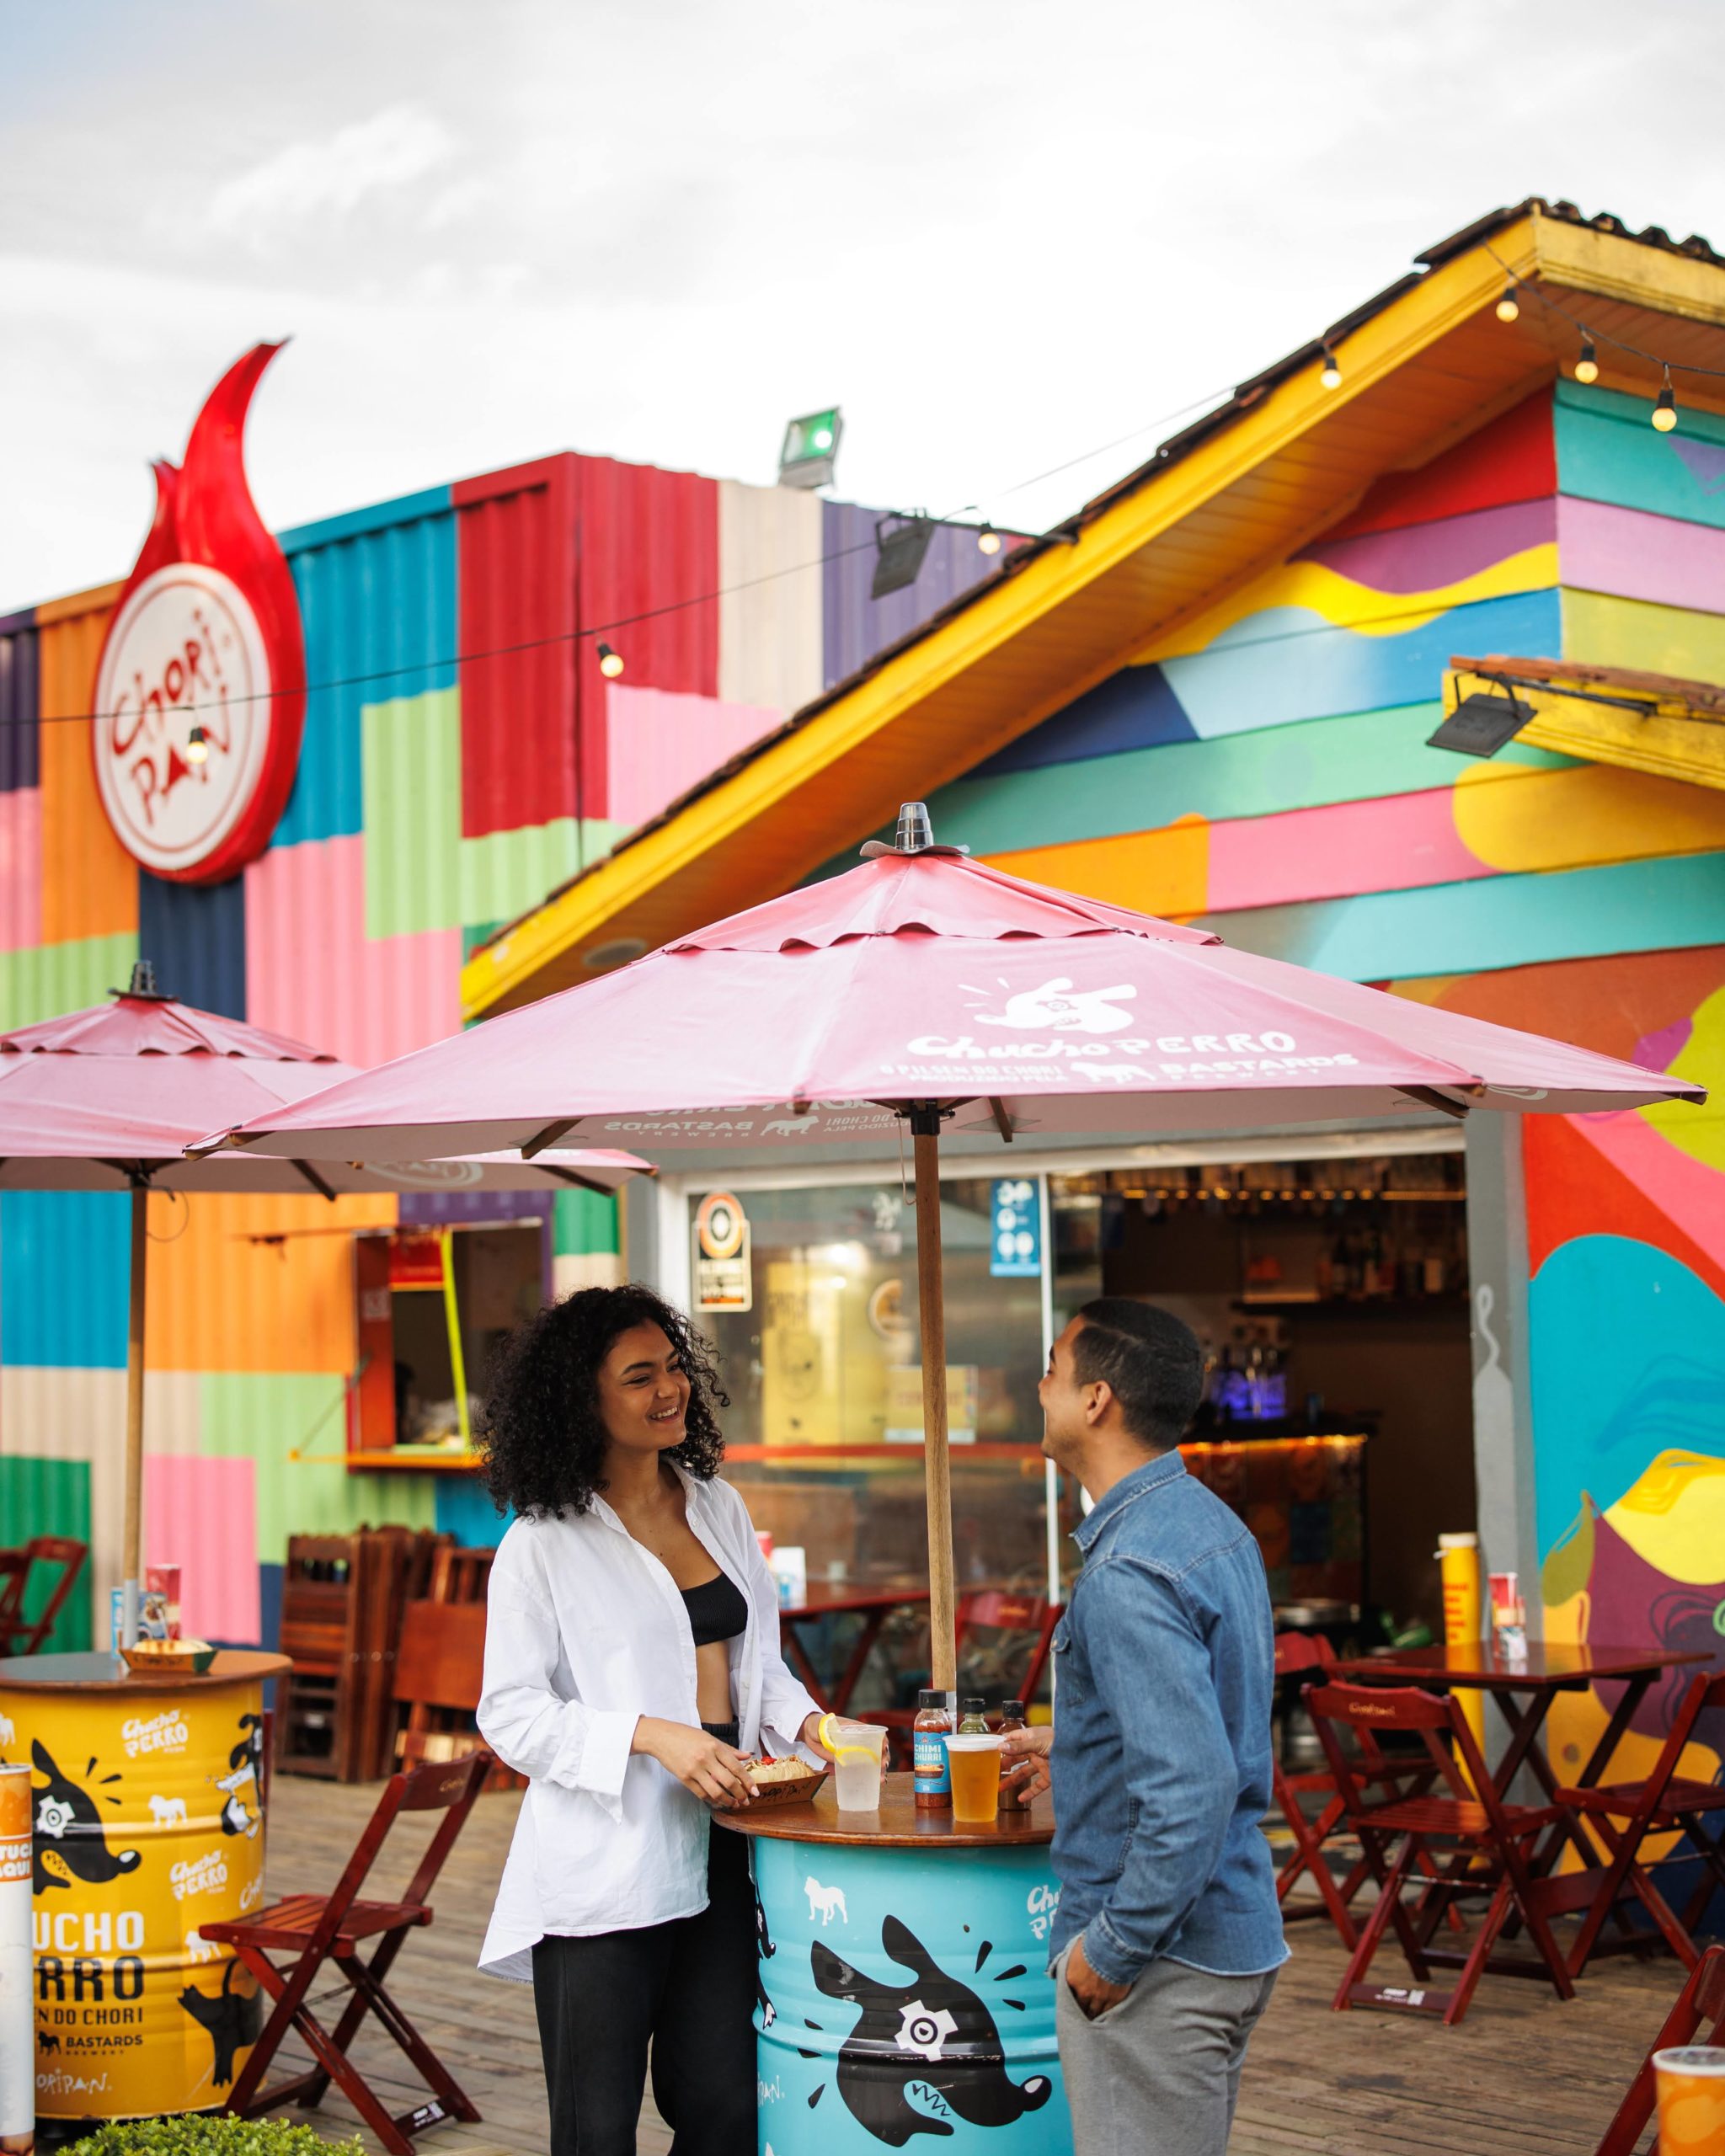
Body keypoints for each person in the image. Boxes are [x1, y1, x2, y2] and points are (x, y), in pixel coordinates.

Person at [474, 1283, 828, 2156]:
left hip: (726, 1847)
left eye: (673, 1367)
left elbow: (760, 1668)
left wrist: (814, 1727)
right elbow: (511, 1713)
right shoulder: (541, 1541)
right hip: (605, 1868)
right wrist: (649, 1733)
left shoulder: (719, 1505)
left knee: (727, 2110)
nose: (668, 1389)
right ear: (581, 1397)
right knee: (595, 2133)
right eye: (639, 1376)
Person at [1001, 1299, 1285, 2156]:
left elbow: (1192, 1785)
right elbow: (1209, 1723)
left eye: (1051, 1365)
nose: (1037, 1383)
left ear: (1094, 1399)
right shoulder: (1205, 1525)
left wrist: (1109, 1953)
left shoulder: (1127, 1567)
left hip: (1162, 1963)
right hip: (1225, 1935)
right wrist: (1082, 1743)